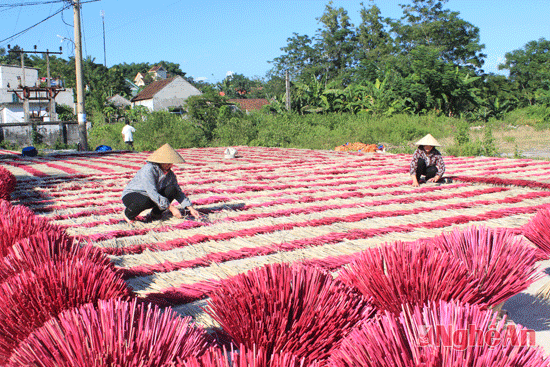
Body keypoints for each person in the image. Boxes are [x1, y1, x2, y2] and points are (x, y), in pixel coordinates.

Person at [121, 143, 201, 223]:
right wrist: (171, 208)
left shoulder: (170, 175)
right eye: (166, 162)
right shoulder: (149, 170)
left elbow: (178, 192)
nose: (169, 165)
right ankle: (128, 214)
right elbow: (151, 192)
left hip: (151, 196)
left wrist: (190, 208)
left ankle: (155, 214)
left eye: (171, 163)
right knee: (145, 200)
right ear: (160, 161)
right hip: (133, 194)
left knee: (172, 189)